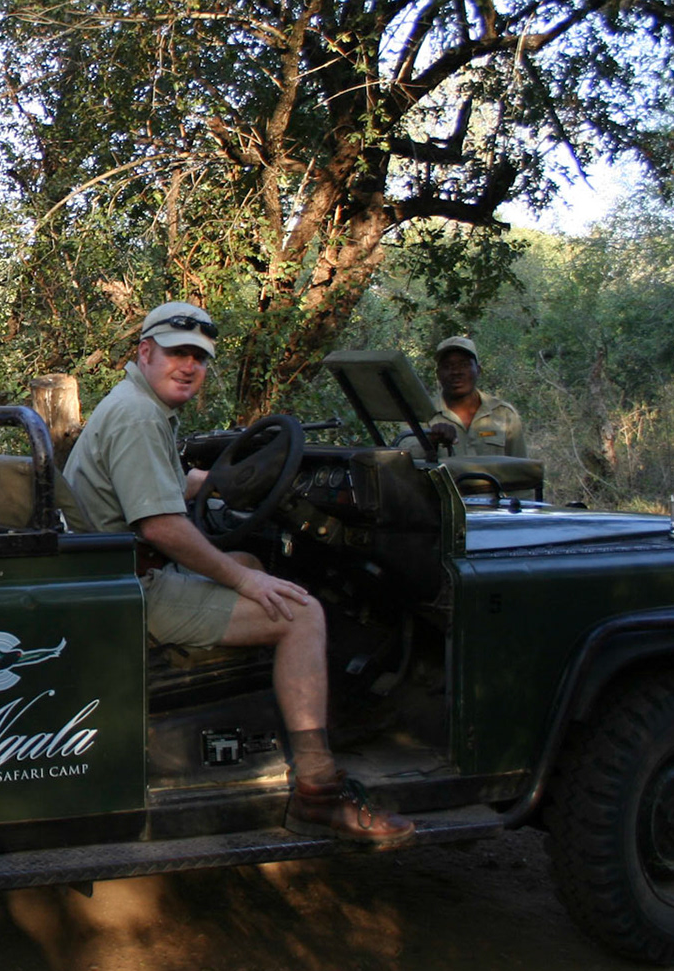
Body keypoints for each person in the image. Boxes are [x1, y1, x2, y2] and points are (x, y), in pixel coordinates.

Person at [60, 300, 413, 844]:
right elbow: (161, 527)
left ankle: (265, 721)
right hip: (130, 589)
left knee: (249, 562)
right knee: (301, 613)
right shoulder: (138, 416)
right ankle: (318, 789)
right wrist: (247, 582)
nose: (189, 367)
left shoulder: (135, 404)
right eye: (177, 353)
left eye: (199, 358)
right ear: (145, 352)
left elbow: (165, 485)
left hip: (108, 576)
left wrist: (220, 482)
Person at [410, 335, 527, 458]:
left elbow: (521, 465)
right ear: (438, 374)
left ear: (478, 370)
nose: (456, 372)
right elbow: (407, 456)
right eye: (448, 366)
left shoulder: (503, 414)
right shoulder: (422, 415)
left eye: (464, 365)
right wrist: (431, 440)